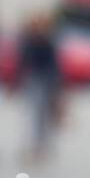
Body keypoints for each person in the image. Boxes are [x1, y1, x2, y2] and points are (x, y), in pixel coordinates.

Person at [20, 12, 61, 159]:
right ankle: (36, 145)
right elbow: (24, 61)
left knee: (42, 115)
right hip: (33, 80)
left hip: (45, 81)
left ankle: (42, 145)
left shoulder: (48, 41)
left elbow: (54, 65)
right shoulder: (29, 41)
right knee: (34, 114)